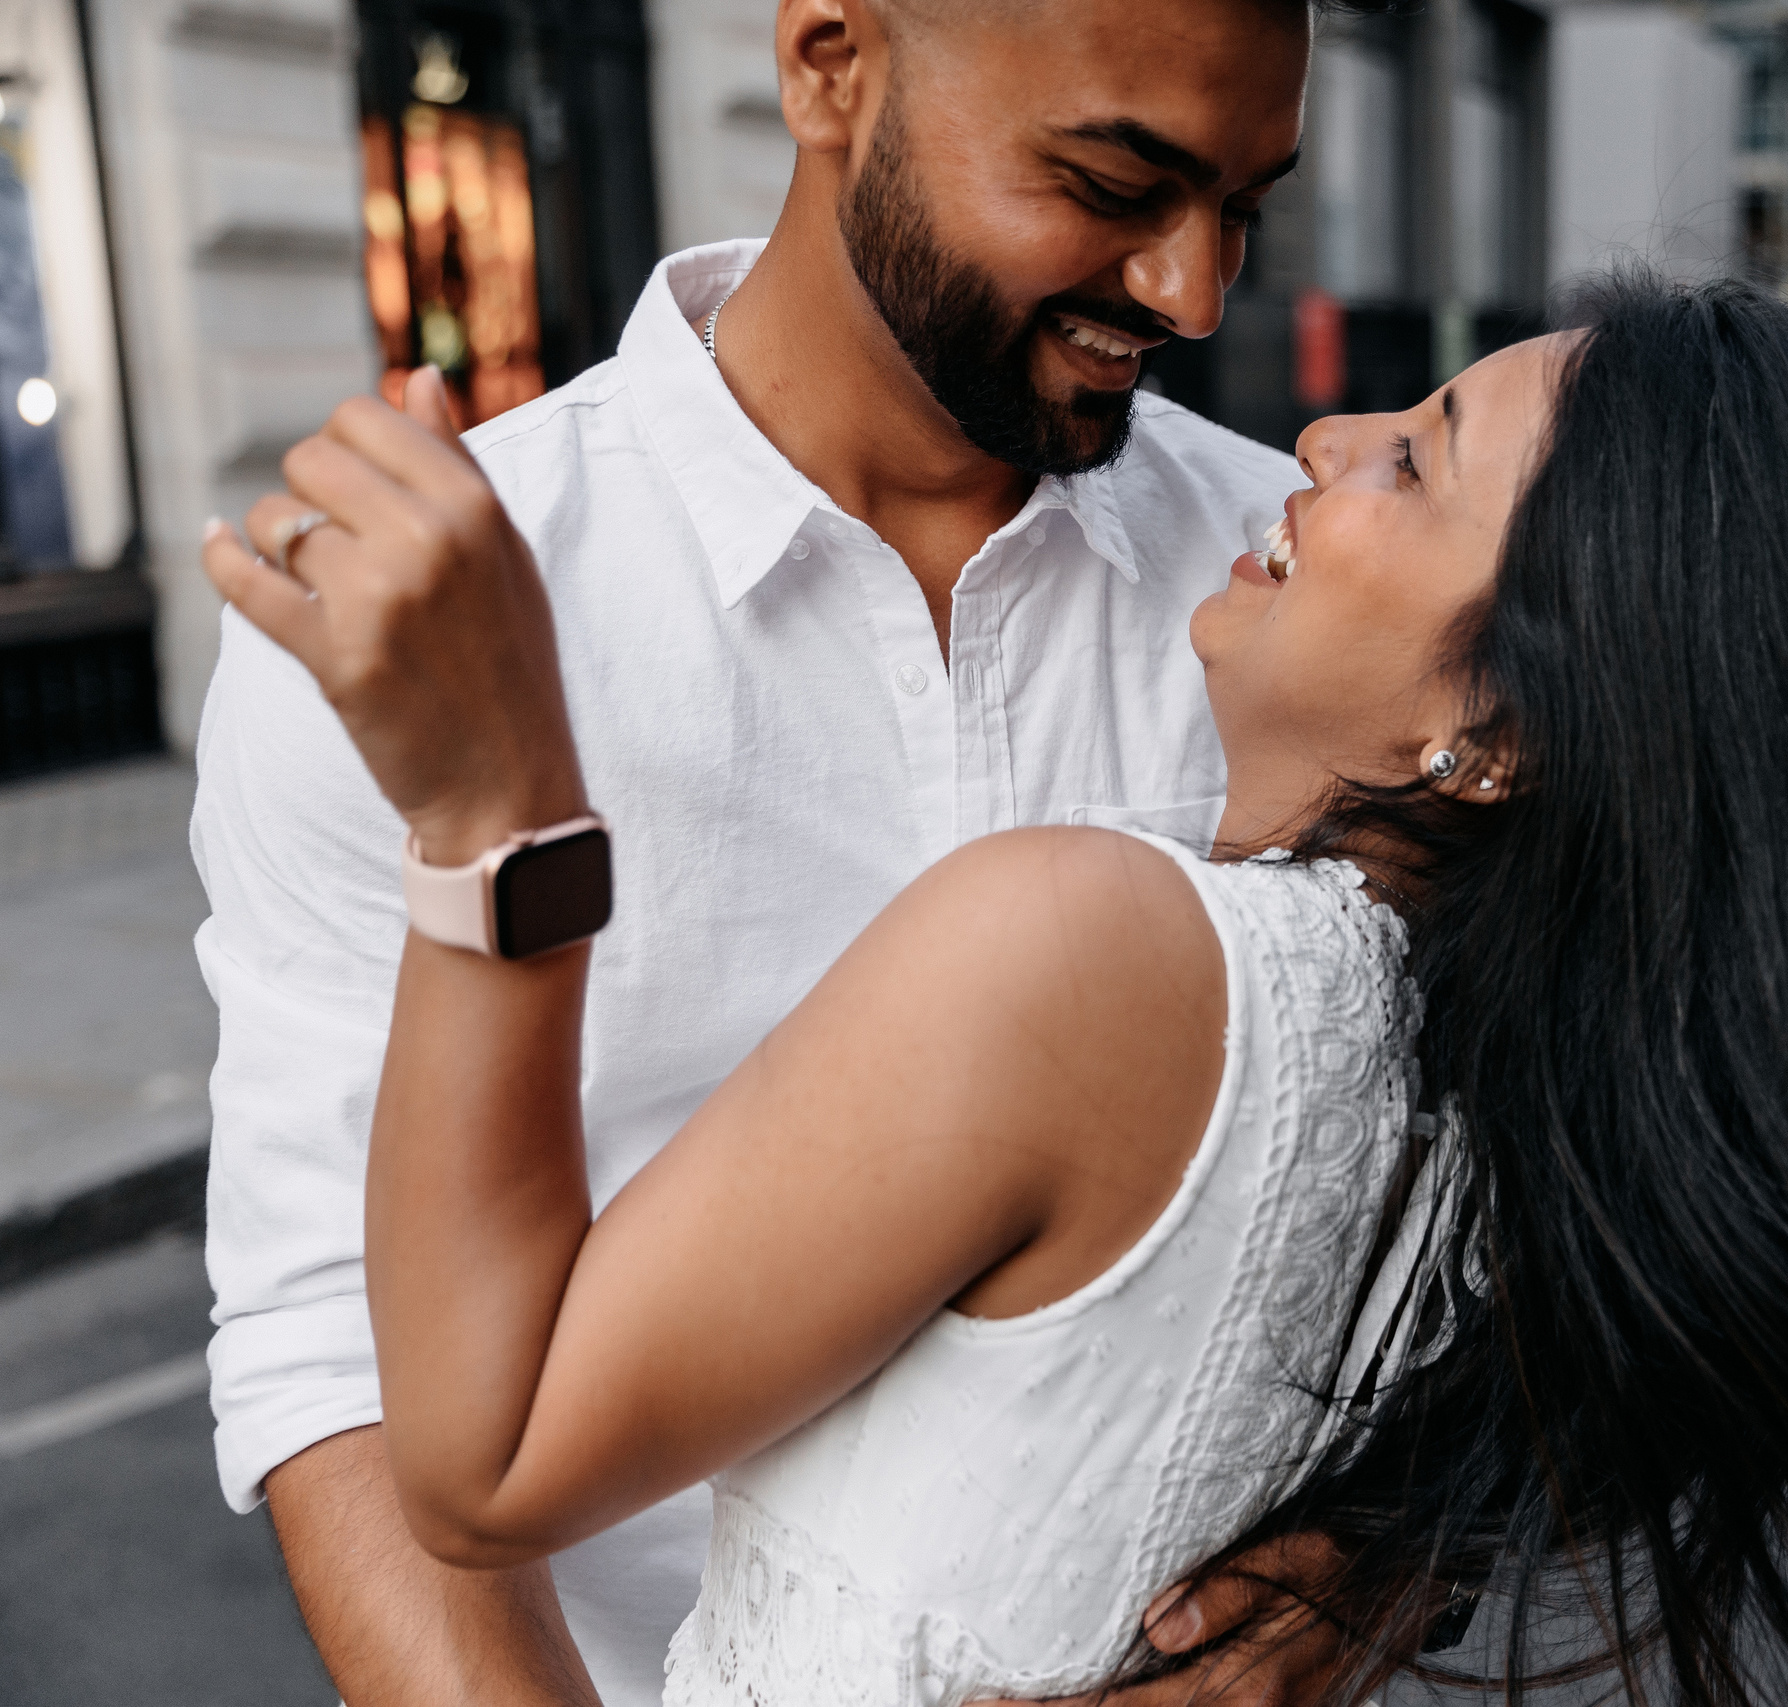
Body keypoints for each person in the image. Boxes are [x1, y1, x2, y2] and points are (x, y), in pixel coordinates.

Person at [206, 274, 1788, 1707]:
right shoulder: (1513, 1058)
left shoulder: (1081, 947)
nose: (1301, 423)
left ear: (1495, 729)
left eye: (1412, 457)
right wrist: (1397, 1523)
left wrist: (496, 806)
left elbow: (483, 1455)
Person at [189, 0, 1387, 1699]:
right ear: (831, 64)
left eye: (1244, 205)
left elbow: (1513, 1165)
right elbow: (340, 1357)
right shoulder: (439, 629)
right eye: (1114, 184)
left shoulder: (1303, 586)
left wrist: (1381, 1556)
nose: (1192, 293)